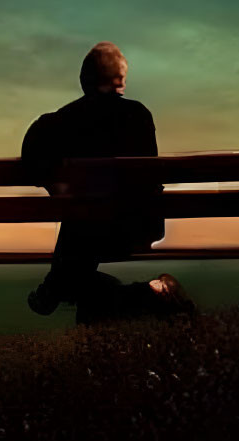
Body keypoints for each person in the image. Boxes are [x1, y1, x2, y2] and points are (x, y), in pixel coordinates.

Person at [20, 41, 195, 323]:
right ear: (121, 82)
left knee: (82, 223)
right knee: (85, 232)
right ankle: (149, 294)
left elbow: (30, 156)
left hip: (86, 231)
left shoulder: (59, 122)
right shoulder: (138, 115)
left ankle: (55, 288)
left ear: (83, 81)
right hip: (138, 227)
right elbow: (149, 177)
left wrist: (56, 187)